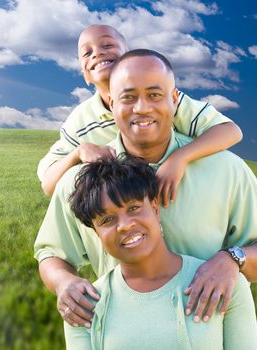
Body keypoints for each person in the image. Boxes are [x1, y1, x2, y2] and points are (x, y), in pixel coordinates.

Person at [34, 49, 257, 332]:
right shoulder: (81, 181)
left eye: (154, 95)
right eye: (128, 98)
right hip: (124, 334)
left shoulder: (227, 170)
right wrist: (64, 282)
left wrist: (233, 259)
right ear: (112, 103)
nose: (141, 108)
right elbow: (51, 253)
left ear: (174, 100)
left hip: (209, 334)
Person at [64, 156, 257, 349]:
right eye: (107, 220)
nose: (125, 225)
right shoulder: (83, 306)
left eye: (134, 208)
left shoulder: (224, 283)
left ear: (155, 208)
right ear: (97, 233)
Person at [38, 24, 242, 202]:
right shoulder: (80, 121)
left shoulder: (164, 99)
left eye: (107, 45)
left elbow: (230, 131)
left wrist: (179, 158)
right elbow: (48, 185)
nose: (97, 53)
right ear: (84, 74)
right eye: (87, 52)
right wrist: (78, 153)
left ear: (129, 57)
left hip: (182, 194)